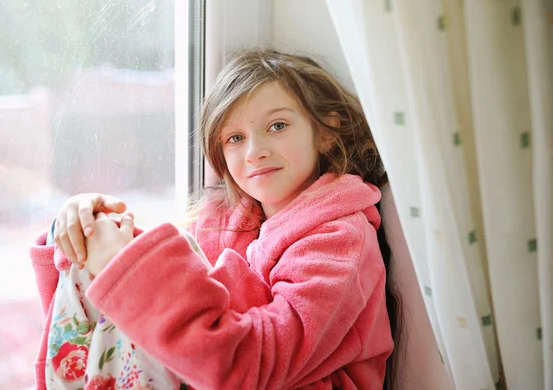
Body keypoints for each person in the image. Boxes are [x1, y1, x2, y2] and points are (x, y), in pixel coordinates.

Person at [30, 49, 400, 390]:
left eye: (278, 126)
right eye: (235, 137)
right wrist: (82, 230)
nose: (255, 152)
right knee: (100, 235)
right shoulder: (223, 222)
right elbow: (155, 302)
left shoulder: (341, 240)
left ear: (326, 134)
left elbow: (246, 365)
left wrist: (120, 262)